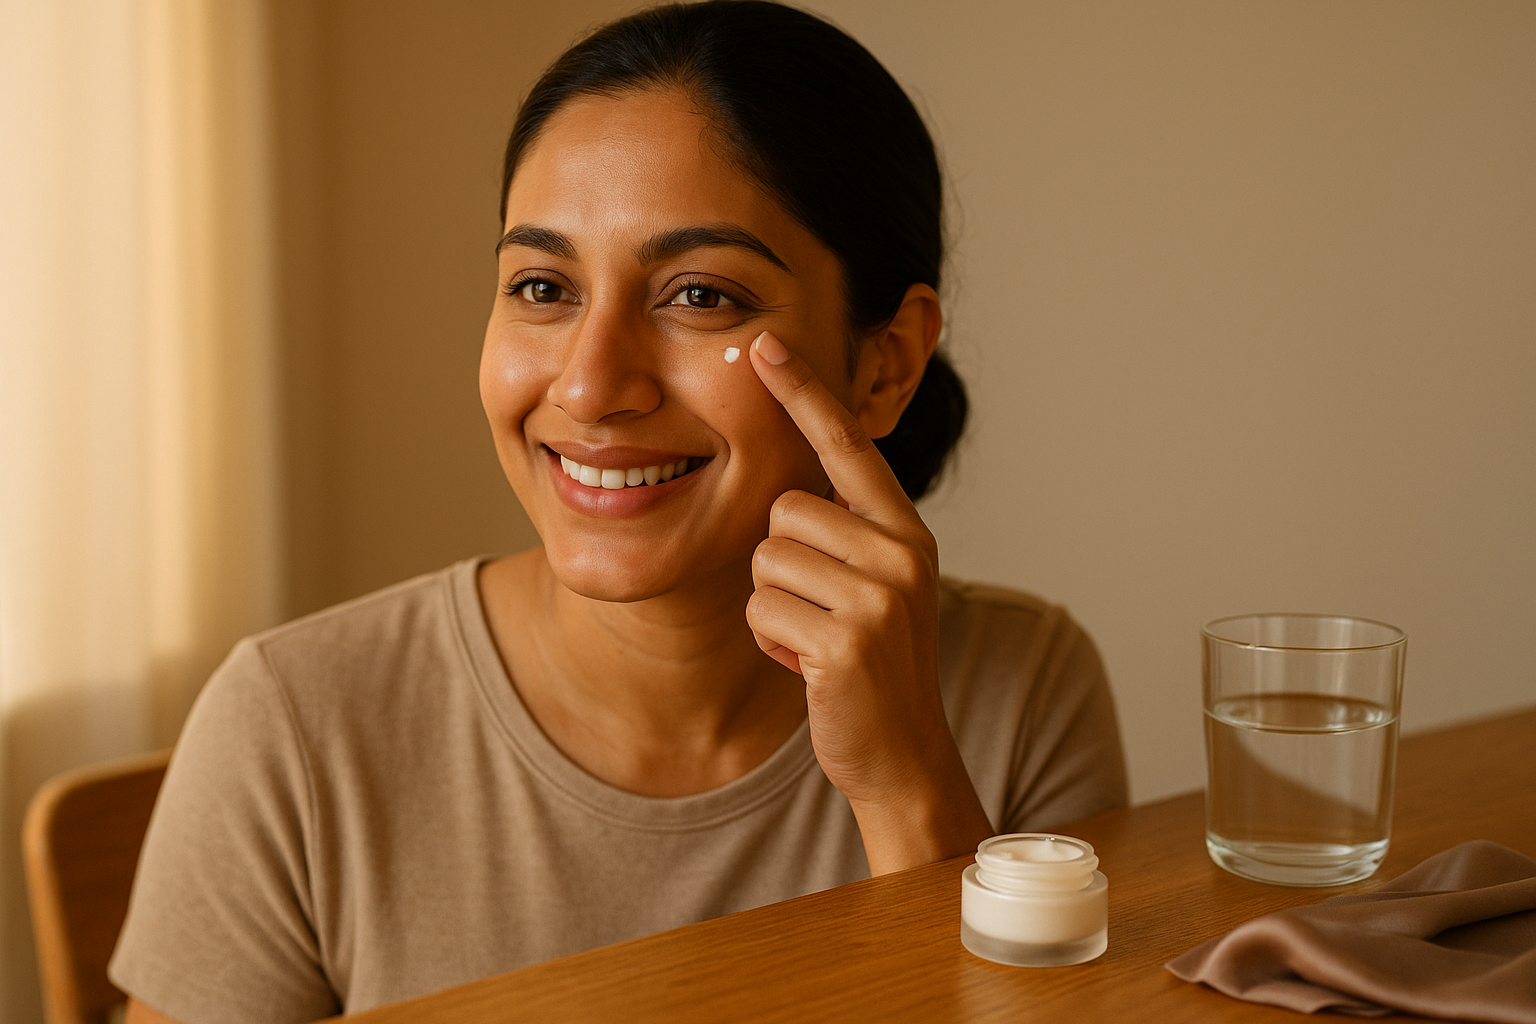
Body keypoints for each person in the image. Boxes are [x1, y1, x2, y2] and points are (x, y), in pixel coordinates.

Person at [112, 3, 1128, 1021]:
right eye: (544, 285)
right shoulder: (292, 727)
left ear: (885, 362)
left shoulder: (1021, 695)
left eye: (700, 296)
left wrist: (908, 787)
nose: (592, 386)